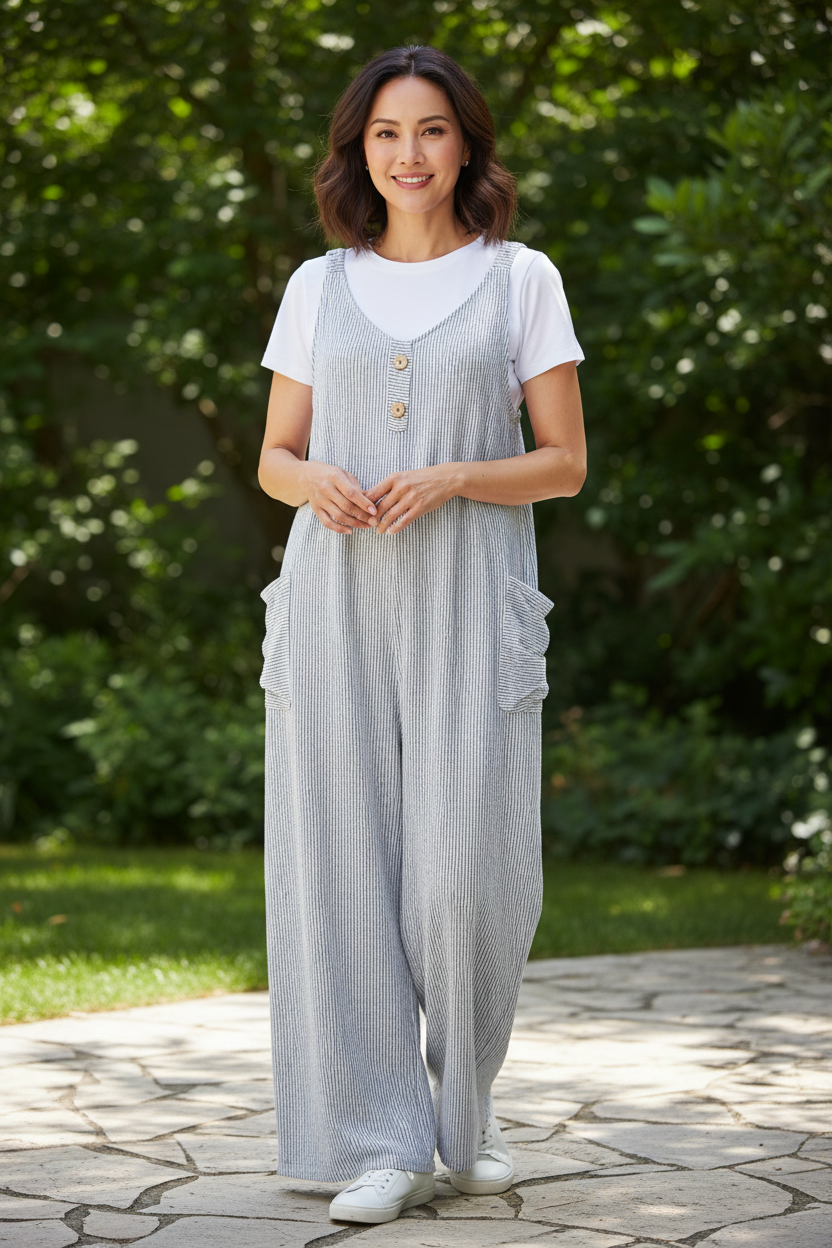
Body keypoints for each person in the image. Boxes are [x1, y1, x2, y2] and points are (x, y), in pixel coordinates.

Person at [256, 44, 586, 1226]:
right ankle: (378, 1141)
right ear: (358, 150)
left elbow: (564, 462)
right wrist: (313, 481)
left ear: (465, 144)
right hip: (332, 599)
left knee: (465, 876)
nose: (408, 154)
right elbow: (274, 456)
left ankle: (465, 1107)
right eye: (386, 133)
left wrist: (453, 476)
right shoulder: (318, 285)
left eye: (431, 130)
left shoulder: (519, 279)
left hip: (470, 600)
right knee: (339, 871)